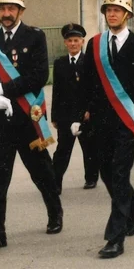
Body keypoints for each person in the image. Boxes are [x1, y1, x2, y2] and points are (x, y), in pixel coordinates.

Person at [0, 0, 63, 253]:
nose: (7, 12)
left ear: (20, 10)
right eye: (2, 7)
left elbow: (39, 76)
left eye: (12, 7)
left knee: (41, 172)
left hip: (27, 118)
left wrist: (7, 89)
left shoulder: (34, 37)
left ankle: (54, 210)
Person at [80, 0, 134, 258]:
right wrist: (84, 113)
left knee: (120, 174)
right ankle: (133, 210)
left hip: (127, 122)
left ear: (127, 14)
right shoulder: (95, 44)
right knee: (106, 173)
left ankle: (115, 237)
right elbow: (88, 83)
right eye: (109, 10)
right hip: (100, 122)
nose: (112, 14)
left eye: (117, 10)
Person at [51, 23, 98, 192]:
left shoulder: (89, 62)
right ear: (65, 43)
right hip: (65, 115)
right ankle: (55, 183)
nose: (73, 44)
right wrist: (54, 116)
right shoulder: (60, 63)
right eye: (69, 40)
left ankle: (91, 178)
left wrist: (89, 110)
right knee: (62, 150)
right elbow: (56, 90)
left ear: (82, 42)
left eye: (76, 40)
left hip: (85, 114)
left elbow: (94, 89)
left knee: (89, 148)